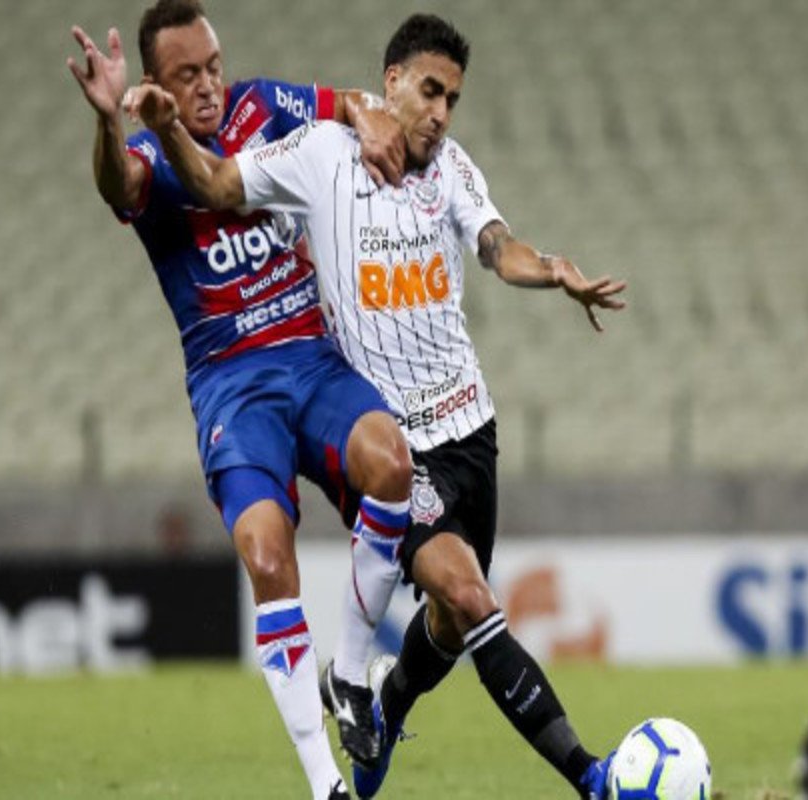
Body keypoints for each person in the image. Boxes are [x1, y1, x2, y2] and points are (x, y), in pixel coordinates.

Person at [128, 14, 627, 798]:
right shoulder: (320, 154)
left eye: (452, 99)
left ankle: (388, 703)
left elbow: (498, 247)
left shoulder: (453, 170)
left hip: (472, 429)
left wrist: (552, 269)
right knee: (470, 596)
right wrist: (165, 132)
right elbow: (219, 183)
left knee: (453, 619)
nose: (440, 112)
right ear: (390, 82)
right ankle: (591, 776)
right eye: (429, 91)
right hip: (393, 436)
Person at [67, 3, 415, 797]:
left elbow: (344, 101)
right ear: (155, 82)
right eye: (187, 74)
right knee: (265, 555)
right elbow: (117, 183)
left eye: (214, 66)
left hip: (313, 360)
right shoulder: (148, 154)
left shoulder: (262, 105)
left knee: (394, 465)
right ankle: (325, 784)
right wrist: (108, 121)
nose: (208, 85)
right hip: (233, 385)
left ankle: (349, 671)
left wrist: (367, 115)